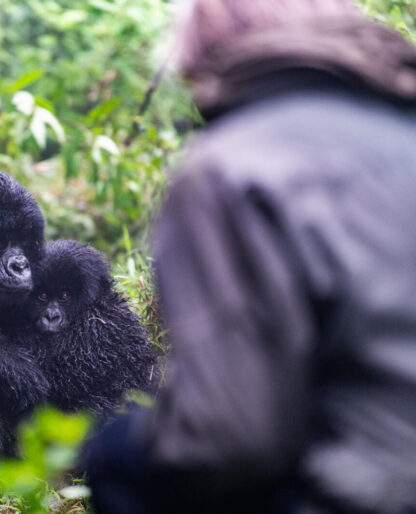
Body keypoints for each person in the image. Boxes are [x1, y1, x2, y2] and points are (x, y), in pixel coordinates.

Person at [84, 0, 416, 512]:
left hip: (363, 492)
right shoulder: (402, 135)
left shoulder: (233, 164)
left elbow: (228, 441)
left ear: (206, 47)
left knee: (116, 457)